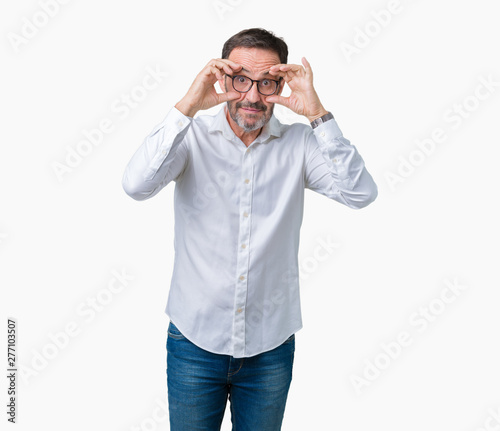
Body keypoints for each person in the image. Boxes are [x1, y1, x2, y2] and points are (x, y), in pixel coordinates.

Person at [122, 27, 377, 431]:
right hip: (194, 342)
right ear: (222, 79)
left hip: (269, 347)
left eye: (267, 83)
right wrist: (188, 105)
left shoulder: (300, 144)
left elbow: (360, 193)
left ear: (281, 84)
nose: (253, 96)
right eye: (241, 79)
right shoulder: (191, 138)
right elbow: (136, 185)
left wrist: (317, 113)